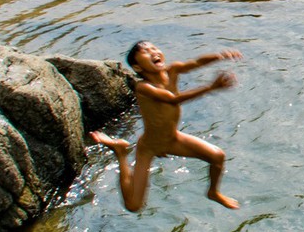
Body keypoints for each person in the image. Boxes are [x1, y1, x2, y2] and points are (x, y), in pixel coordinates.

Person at [90, 41, 241, 213]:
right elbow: (172, 99)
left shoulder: (173, 70)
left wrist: (220, 56)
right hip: (149, 146)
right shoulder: (143, 87)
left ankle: (213, 192)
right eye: (146, 52)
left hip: (172, 138)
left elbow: (197, 62)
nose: (153, 51)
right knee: (133, 206)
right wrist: (210, 87)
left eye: (154, 48)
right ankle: (121, 152)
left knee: (217, 157)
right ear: (138, 67)